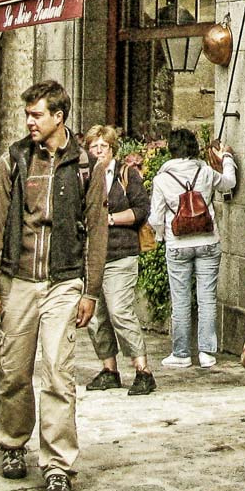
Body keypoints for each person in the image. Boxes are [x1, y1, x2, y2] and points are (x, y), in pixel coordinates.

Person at [0, 80, 108, 491]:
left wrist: (90, 290)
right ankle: (13, 443)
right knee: (13, 369)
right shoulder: (14, 160)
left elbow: (97, 230)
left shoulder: (86, 165)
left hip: (64, 281)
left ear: (59, 116)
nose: (29, 122)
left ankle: (57, 464)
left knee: (57, 371)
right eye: (28, 115)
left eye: (37, 115)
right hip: (19, 279)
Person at [149, 129, 236, 369]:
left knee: (181, 300)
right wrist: (227, 158)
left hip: (178, 244)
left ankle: (181, 353)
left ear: (171, 149)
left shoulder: (162, 178)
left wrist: (160, 237)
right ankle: (207, 353)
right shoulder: (205, 171)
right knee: (207, 299)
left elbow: (156, 217)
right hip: (208, 240)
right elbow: (229, 182)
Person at [83, 125, 154, 396]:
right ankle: (109, 369)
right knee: (95, 317)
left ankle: (142, 370)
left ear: (112, 149)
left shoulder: (126, 174)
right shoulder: (85, 176)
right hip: (93, 257)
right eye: (93, 147)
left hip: (121, 254)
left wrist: (110, 219)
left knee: (119, 311)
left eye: (103, 146)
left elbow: (141, 210)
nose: (98, 151)